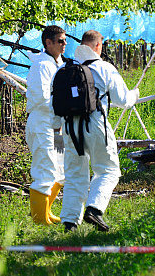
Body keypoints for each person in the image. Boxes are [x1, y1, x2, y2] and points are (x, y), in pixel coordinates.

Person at [53, 30, 139, 232]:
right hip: (95, 123)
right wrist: (135, 94)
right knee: (108, 169)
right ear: (98, 46)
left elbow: (54, 104)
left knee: (75, 174)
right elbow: (123, 100)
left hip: (69, 126)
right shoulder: (104, 68)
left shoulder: (64, 69)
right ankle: (94, 209)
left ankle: (70, 222)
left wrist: (57, 133)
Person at [25, 25, 67, 225]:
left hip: (57, 125)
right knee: (45, 168)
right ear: (47, 43)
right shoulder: (41, 66)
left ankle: (47, 211)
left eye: (65, 40)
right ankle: (38, 219)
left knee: (59, 169)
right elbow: (42, 98)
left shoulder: (56, 64)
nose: (64, 44)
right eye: (60, 41)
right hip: (43, 124)